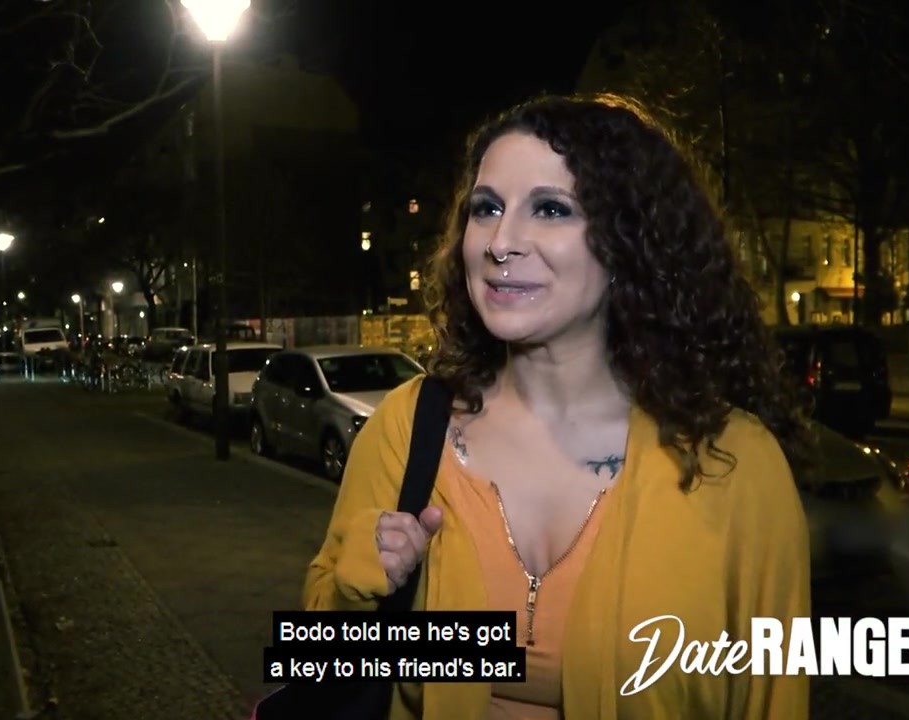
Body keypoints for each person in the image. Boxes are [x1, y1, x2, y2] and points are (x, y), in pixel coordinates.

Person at [304, 93, 816, 719]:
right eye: (487, 208)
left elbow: (773, 699)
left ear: (628, 241)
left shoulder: (735, 464)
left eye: (551, 209)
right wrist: (359, 590)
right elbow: (319, 661)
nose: (501, 242)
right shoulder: (407, 429)